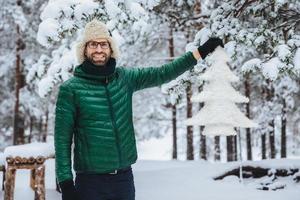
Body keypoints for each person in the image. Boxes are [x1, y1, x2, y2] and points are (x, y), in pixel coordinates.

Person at [55, 19, 223, 200]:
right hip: (90, 182)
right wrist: (65, 182)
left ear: (110, 49)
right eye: (93, 44)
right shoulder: (71, 89)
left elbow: (162, 73)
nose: (98, 49)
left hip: (123, 178)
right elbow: (62, 139)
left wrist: (200, 53)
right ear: (84, 50)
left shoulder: (124, 78)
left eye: (103, 44)